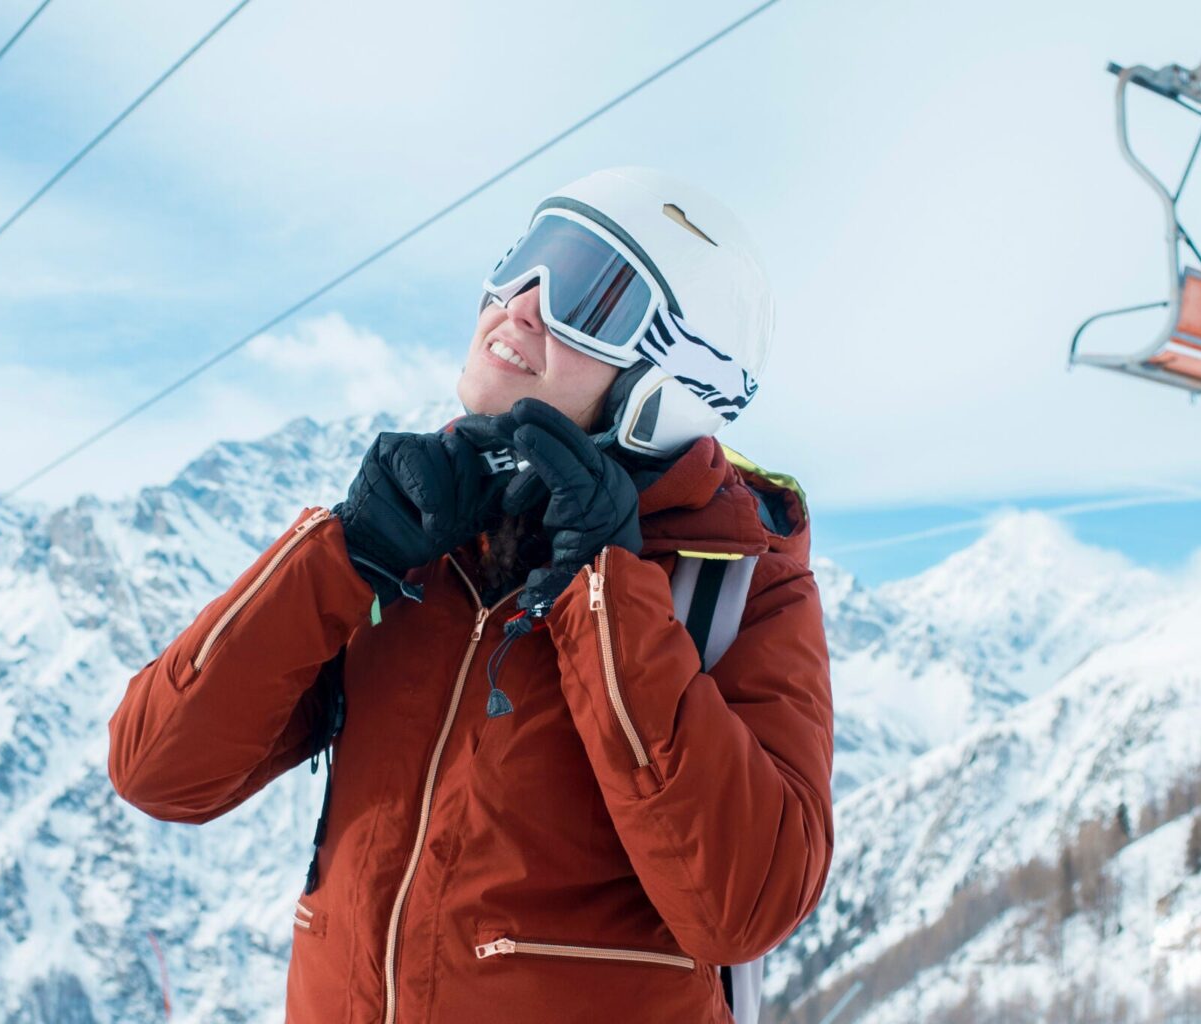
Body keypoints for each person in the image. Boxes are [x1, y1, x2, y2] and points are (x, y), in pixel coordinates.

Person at [109, 167, 834, 1023]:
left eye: (589, 299)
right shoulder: (418, 534)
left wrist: (604, 584)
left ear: (667, 385)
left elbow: (744, 905)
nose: (521, 305)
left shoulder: (735, 578)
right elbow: (160, 770)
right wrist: (345, 552)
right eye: (525, 263)